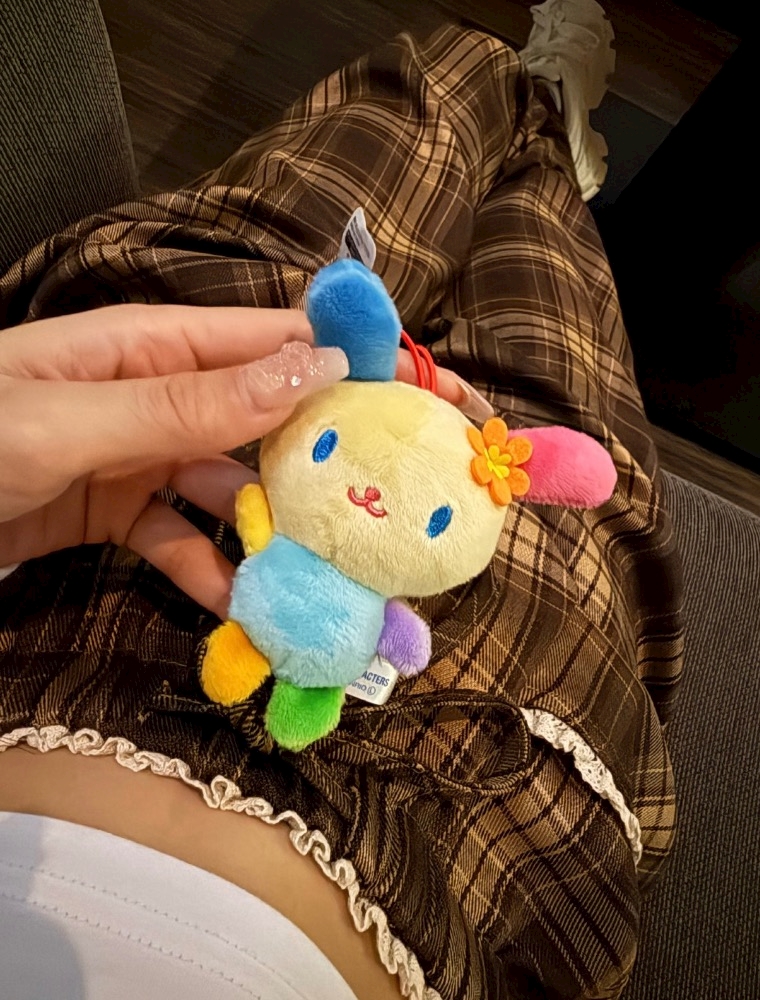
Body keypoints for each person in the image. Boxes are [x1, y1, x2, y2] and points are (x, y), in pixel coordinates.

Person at [0, 2, 683, 998]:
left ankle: (519, 98)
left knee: (396, 147)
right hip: (463, 797)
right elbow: (395, 622)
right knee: (552, 362)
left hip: (53, 609)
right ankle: (547, 135)